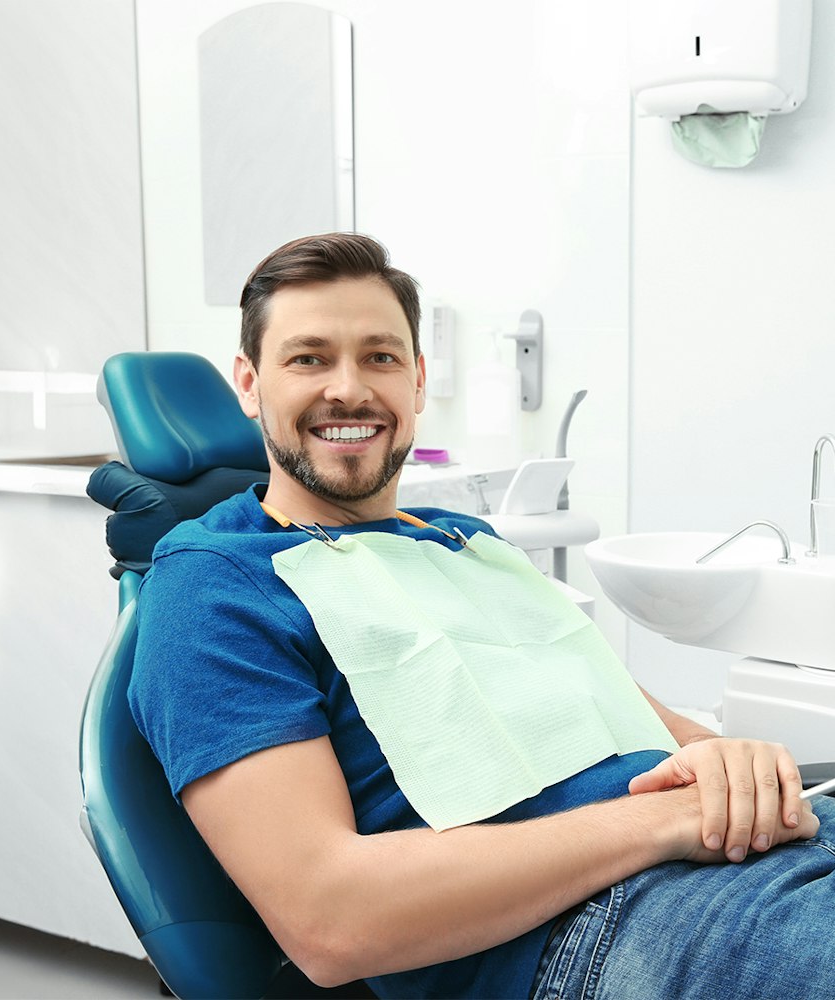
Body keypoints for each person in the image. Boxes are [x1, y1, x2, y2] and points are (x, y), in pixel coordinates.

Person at [120, 233, 833, 999]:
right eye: (309, 359)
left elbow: (644, 723)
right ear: (249, 383)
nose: (349, 389)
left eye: (381, 357)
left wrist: (734, 760)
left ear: (419, 382)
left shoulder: (472, 545)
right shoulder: (214, 585)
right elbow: (328, 919)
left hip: (755, 862)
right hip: (592, 931)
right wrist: (665, 825)